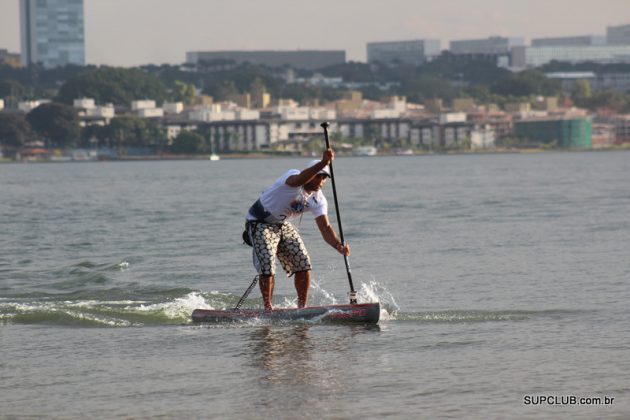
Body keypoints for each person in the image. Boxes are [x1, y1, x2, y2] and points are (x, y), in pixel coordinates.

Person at [245, 149, 350, 310]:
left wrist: (338, 246)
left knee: (303, 263)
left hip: (282, 224)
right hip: (259, 221)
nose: (321, 182)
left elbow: (325, 228)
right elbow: (299, 179)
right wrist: (323, 163)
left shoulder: (318, 199)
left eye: (324, 178)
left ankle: (302, 307)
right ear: (309, 173)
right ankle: (268, 308)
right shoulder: (293, 176)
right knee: (267, 265)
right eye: (318, 176)